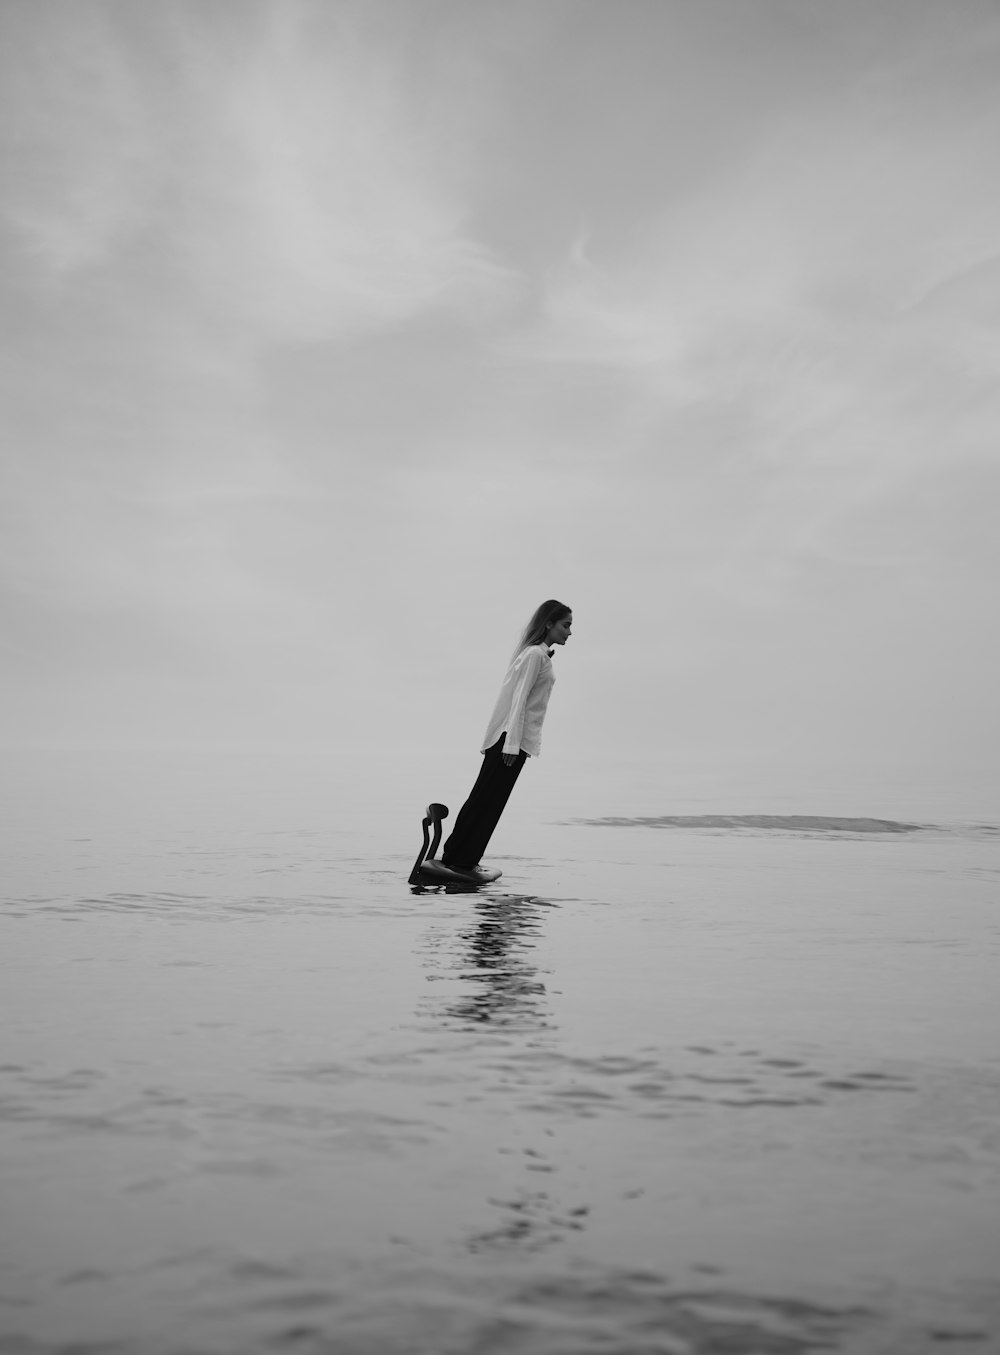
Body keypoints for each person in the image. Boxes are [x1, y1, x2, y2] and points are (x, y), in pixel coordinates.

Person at [441, 600, 572, 876]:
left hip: (512, 741)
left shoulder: (535, 654)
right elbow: (519, 701)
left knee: (490, 802)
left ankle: (464, 857)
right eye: (565, 625)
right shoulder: (535, 655)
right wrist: (511, 745)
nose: (569, 632)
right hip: (510, 742)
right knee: (486, 801)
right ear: (549, 623)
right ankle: (458, 859)